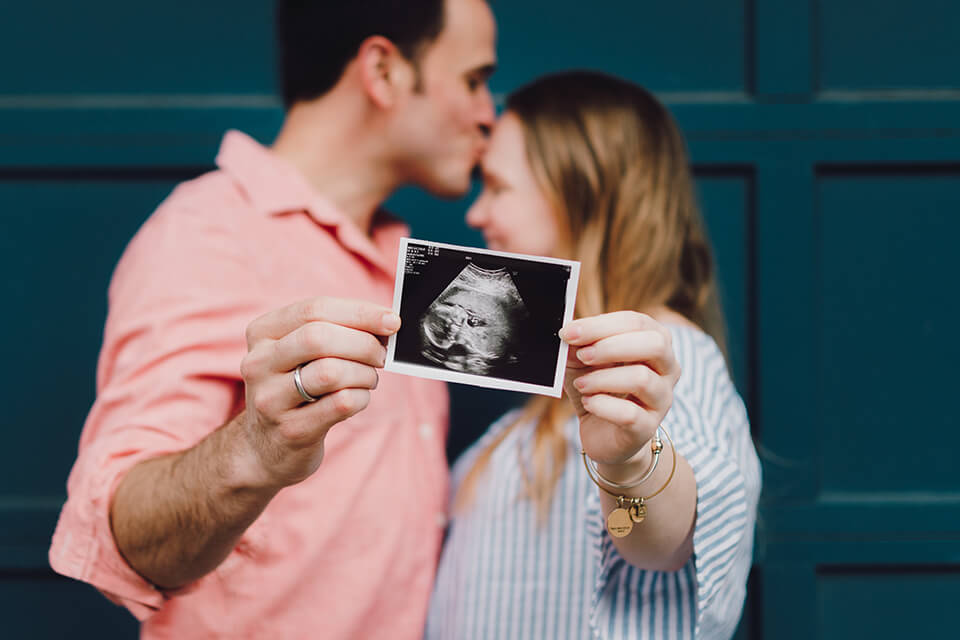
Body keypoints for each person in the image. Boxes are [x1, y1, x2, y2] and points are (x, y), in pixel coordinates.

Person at [48, 1, 496, 638]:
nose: (488, 115)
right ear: (384, 71)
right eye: (474, 81)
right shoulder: (208, 235)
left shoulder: (408, 266)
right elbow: (126, 537)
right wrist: (256, 449)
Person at [425, 71, 762, 640]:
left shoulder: (664, 363)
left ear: (583, 198)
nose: (476, 214)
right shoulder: (544, 398)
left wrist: (628, 463)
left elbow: (668, 540)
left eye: (500, 187)